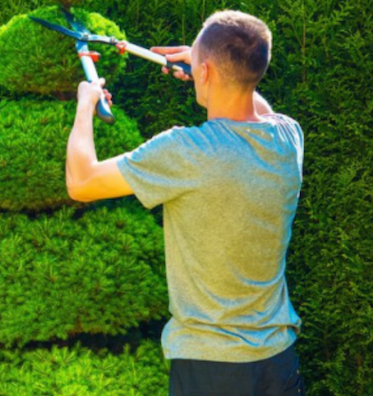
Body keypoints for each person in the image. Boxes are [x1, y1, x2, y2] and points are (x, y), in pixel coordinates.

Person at [65, 10, 306, 396]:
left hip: (211, 369)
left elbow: (81, 181)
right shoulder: (289, 138)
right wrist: (208, 69)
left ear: (206, 71)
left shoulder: (187, 151)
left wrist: (84, 103)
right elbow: (253, 104)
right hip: (278, 361)